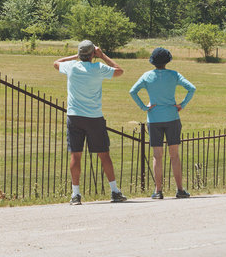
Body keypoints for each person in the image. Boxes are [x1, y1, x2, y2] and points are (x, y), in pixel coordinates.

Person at [54, 40, 126, 203]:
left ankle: (75, 194)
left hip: (74, 116)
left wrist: (77, 56)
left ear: (80, 55)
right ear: (93, 54)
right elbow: (119, 71)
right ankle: (114, 190)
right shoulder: (98, 68)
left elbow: (56, 63)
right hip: (94, 116)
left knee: (75, 154)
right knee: (104, 154)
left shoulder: (71, 67)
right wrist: (102, 56)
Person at [129, 46, 195, 199]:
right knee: (174, 156)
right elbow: (191, 88)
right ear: (167, 62)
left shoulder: (146, 76)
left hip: (154, 119)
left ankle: (158, 191)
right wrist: (182, 105)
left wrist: (143, 107)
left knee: (157, 156)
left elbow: (132, 91)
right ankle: (180, 189)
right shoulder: (174, 75)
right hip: (172, 117)